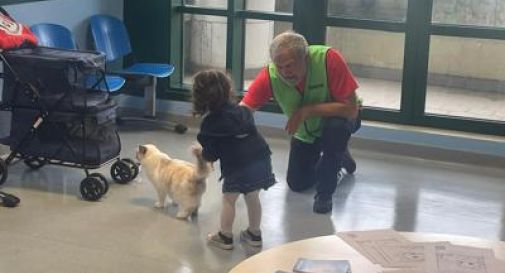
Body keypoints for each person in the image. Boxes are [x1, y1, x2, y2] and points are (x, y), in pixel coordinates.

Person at [240, 31, 361, 214]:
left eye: (289, 65)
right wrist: (218, 132)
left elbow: (351, 109)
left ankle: (324, 194)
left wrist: (307, 111)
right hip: (307, 132)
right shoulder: (269, 76)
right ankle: (340, 154)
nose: (285, 72)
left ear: (306, 57)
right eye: (279, 67)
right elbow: (244, 110)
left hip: (342, 119)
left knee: (335, 131)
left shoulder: (329, 59)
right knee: (297, 183)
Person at [192, 69, 276, 250]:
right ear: (228, 88)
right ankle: (254, 234)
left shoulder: (210, 123)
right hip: (261, 158)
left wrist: (203, 154)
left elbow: (212, 154)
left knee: (229, 199)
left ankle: (225, 236)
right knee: (253, 196)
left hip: (238, 166)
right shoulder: (243, 111)